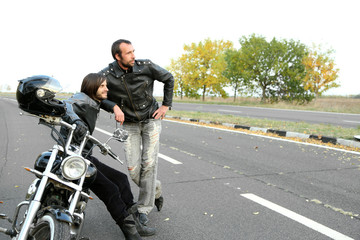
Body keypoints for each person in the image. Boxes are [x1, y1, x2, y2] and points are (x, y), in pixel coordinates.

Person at [60, 73, 155, 240]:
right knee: (110, 189)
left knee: (121, 179)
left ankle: (137, 224)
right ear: (92, 86)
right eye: (103, 86)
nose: (107, 89)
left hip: (85, 155)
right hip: (73, 158)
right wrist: (76, 121)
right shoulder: (79, 99)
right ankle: (130, 232)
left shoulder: (92, 101)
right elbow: (66, 105)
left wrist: (115, 107)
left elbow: (103, 101)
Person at [100, 39, 174, 225]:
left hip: (151, 119)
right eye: (129, 53)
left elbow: (168, 78)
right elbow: (95, 94)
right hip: (129, 125)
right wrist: (114, 106)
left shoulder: (146, 66)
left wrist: (166, 105)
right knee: (133, 170)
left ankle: (143, 209)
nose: (134, 56)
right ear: (118, 57)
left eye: (134, 51)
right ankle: (154, 189)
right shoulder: (106, 74)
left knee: (148, 164)